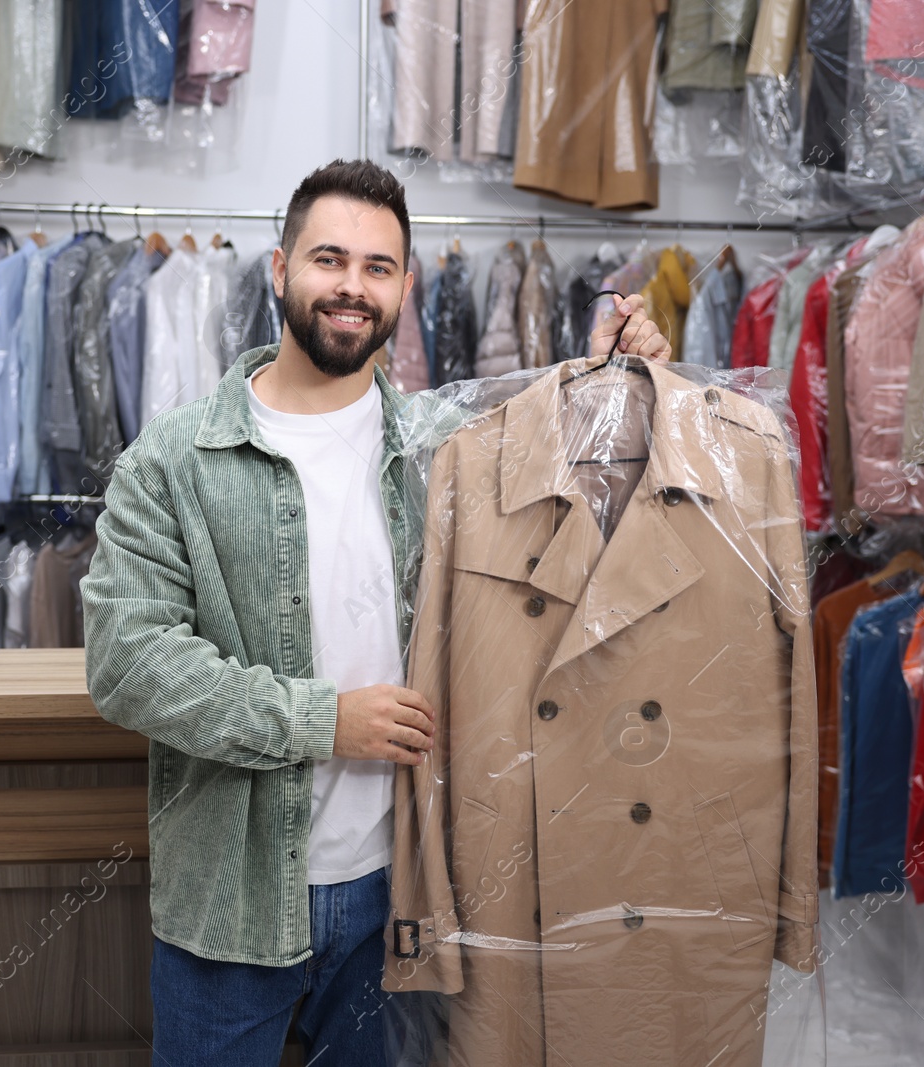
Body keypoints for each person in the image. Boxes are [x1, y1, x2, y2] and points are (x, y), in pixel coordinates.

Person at [81, 157, 672, 1066]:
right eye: (329, 259)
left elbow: (582, 479)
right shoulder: (172, 461)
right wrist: (325, 720)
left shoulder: (450, 447)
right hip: (229, 903)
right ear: (279, 271)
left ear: (402, 289)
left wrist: (621, 370)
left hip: (402, 891)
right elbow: (128, 661)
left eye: (378, 267)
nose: (352, 287)